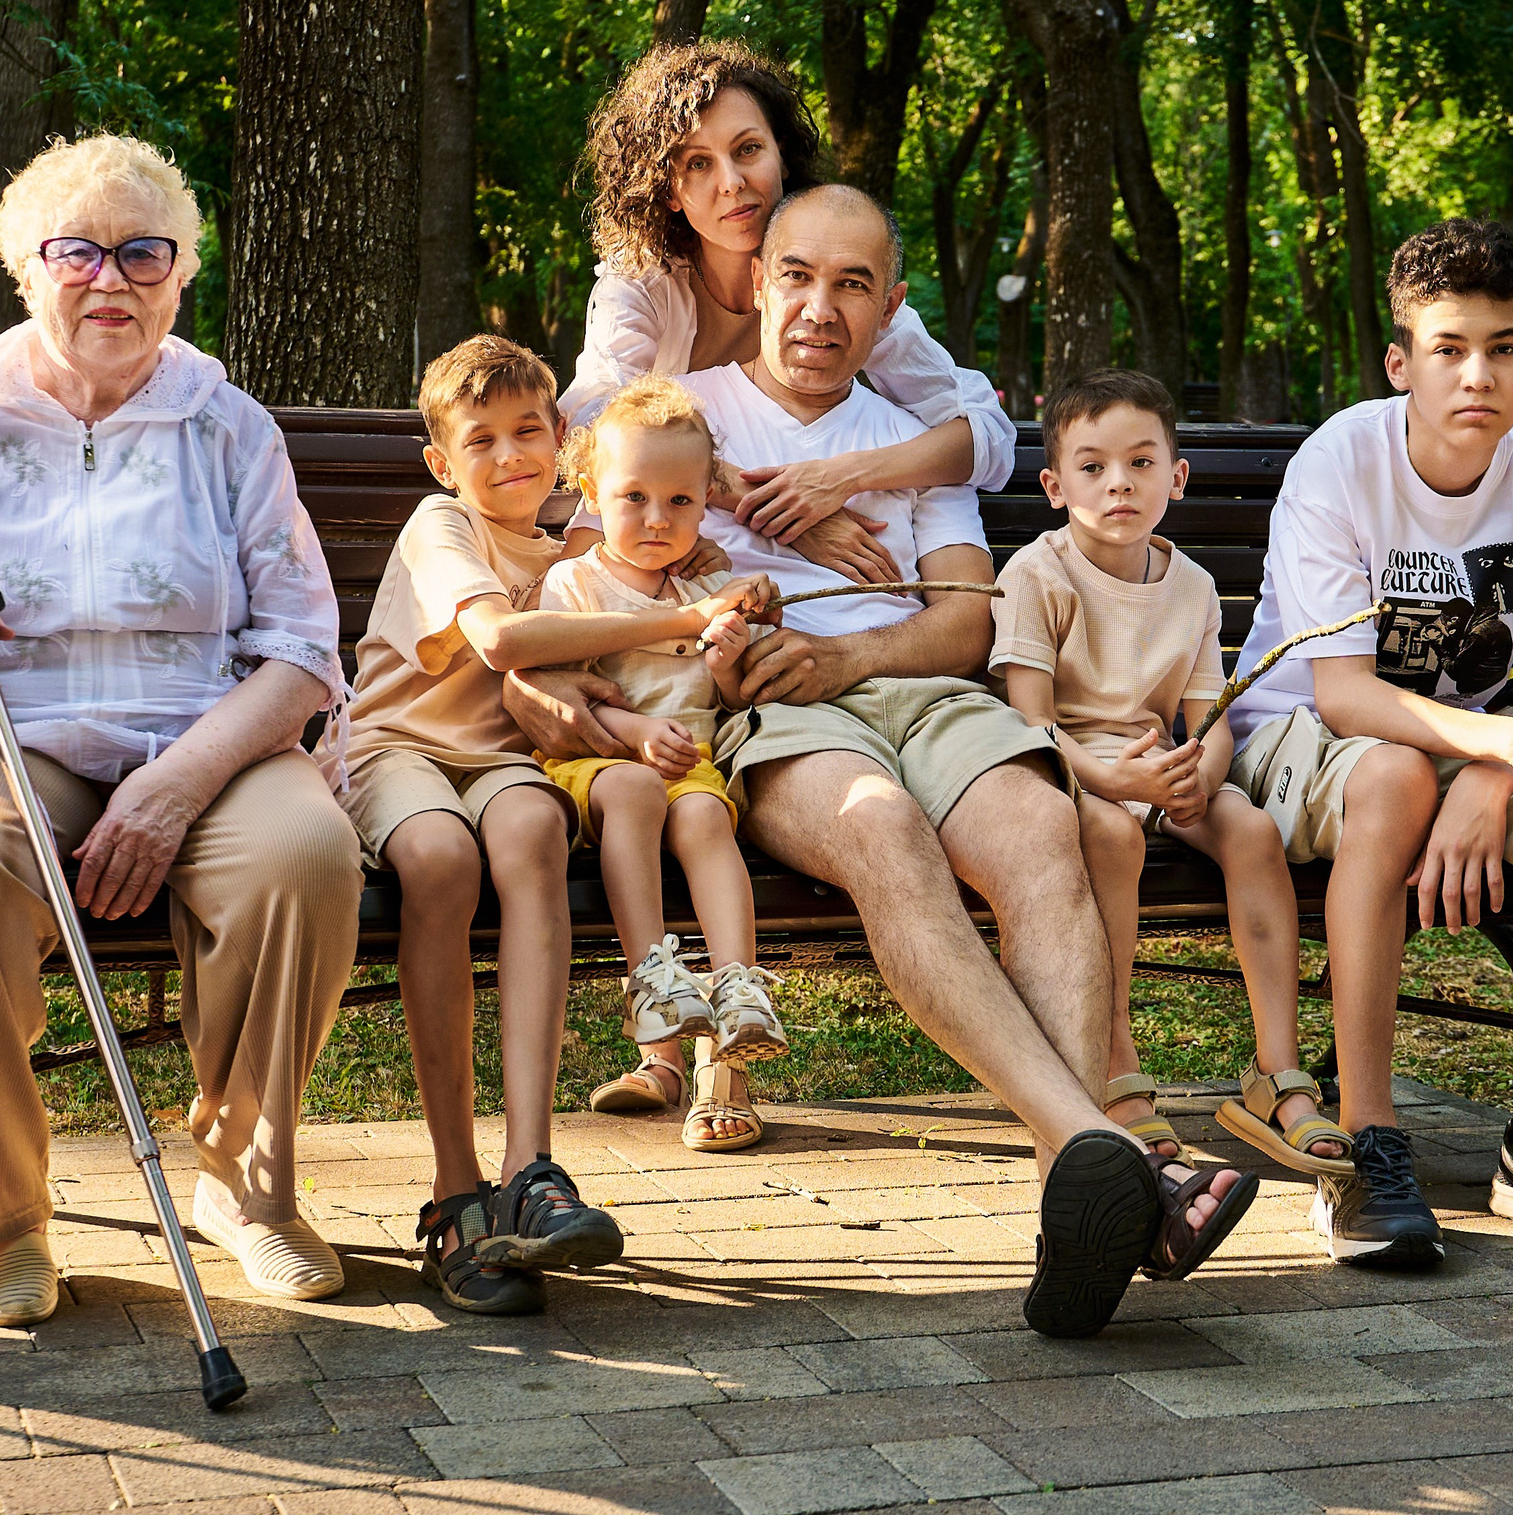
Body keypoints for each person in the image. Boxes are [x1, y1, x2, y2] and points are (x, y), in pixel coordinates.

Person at [510, 183, 1257, 1340]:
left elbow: (965, 616)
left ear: (888, 305)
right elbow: (589, 577)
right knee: (883, 828)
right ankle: (1104, 1160)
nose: (819, 306)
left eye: (852, 284)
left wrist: (850, 648)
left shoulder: (904, 436)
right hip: (775, 718)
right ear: (759, 282)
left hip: (916, 688)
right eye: (798, 275)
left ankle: (1088, 1188)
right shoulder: (680, 414)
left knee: (1041, 835)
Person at [0, 134, 363, 1327]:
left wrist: (176, 785)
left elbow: (302, 651)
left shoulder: (227, 425)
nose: (113, 280)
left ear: (183, 272)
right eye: (78, 252)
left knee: (302, 851)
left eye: (145, 253)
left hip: (204, 738)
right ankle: (4, 1222)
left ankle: (245, 1190)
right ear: (25, 270)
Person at [1223, 217, 1513, 1269]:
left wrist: (1497, 764)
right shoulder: (1342, 457)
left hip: (1451, 741)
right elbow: (1344, 696)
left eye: (1502, 346)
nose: (1476, 372)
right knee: (1391, 773)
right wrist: (1501, 750)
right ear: (1401, 362)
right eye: (1448, 347)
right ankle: (1368, 1142)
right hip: (1299, 738)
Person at [339, 336, 762, 1315]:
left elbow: (584, 673)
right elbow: (499, 638)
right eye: (479, 439)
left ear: (560, 438)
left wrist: (724, 593)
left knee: (531, 833)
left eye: (527, 430)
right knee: (441, 860)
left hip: (505, 768)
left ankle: (531, 1168)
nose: (508, 455)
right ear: (445, 462)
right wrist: (677, 623)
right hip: (396, 754)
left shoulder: (588, 551)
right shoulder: (440, 523)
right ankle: (456, 1193)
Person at [993, 369, 1351, 1181]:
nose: (1118, 482)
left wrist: (1199, 772)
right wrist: (1116, 780)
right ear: (1054, 485)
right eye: (1092, 467)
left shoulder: (1190, 584)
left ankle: (1275, 1073)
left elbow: (1210, 707)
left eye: (1141, 463)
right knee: (1114, 835)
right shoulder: (1038, 576)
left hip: (1163, 768)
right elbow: (1029, 720)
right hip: (1069, 771)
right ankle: (1115, 1063)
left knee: (1252, 828)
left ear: (1175, 477)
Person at [569, 38, 1016, 587]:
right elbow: (594, 425)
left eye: (748, 149)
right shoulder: (643, 283)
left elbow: (987, 438)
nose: (731, 182)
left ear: (781, 152)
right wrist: (784, 515)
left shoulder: (845, 297)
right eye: (699, 164)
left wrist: (837, 479)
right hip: (677, 541)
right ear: (669, 193)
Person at [540, 377, 788, 1152]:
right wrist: (635, 732)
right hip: (598, 763)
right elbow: (568, 696)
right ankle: (656, 1025)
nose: (657, 519)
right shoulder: (574, 583)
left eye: (680, 502)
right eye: (635, 497)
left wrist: (731, 654)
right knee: (642, 791)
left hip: (692, 762)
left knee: (707, 812)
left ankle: (738, 993)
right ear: (591, 492)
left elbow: (729, 693)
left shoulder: (709, 588)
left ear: (706, 501)